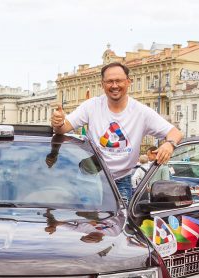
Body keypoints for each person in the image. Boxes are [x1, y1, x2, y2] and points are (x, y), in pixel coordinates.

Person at [51, 62, 183, 203]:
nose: (114, 85)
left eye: (118, 81)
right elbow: (63, 128)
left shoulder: (141, 112)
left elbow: (175, 132)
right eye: (109, 81)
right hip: (90, 176)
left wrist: (169, 144)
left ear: (128, 82)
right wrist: (58, 122)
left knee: (118, 223)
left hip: (121, 180)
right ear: (102, 84)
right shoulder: (91, 106)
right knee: (88, 223)